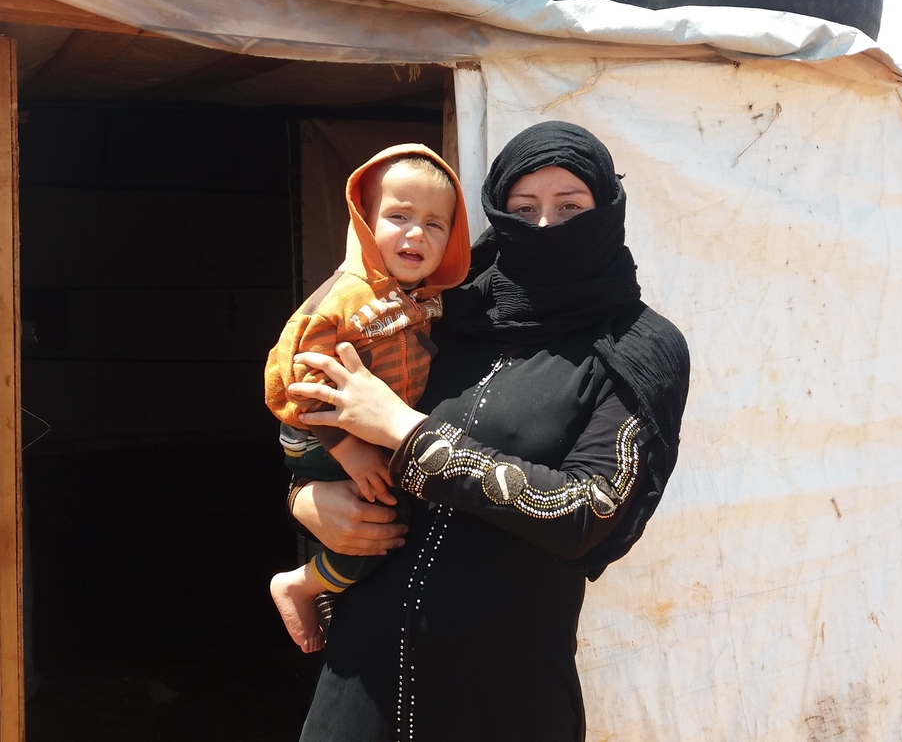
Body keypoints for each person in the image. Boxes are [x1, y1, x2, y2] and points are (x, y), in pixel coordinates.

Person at [285, 121, 691, 741]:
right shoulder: (439, 309)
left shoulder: (638, 347)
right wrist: (307, 499)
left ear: (608, 209)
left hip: (503, 694)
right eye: (524, 209)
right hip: (362, 677)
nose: (546, 226)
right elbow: (314, 405)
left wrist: (406, 432)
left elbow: (587, 512)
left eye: (570, 206)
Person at [264, 145, 471, 653]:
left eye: (435, 224)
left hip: (360, 432)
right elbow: (296, 379)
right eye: (399, 216)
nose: (416, 233)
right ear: (365, 220)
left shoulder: (422, 300)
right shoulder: (345, 298)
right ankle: (300, 584)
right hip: (320, 435)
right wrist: (350, 450)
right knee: (378, 531)